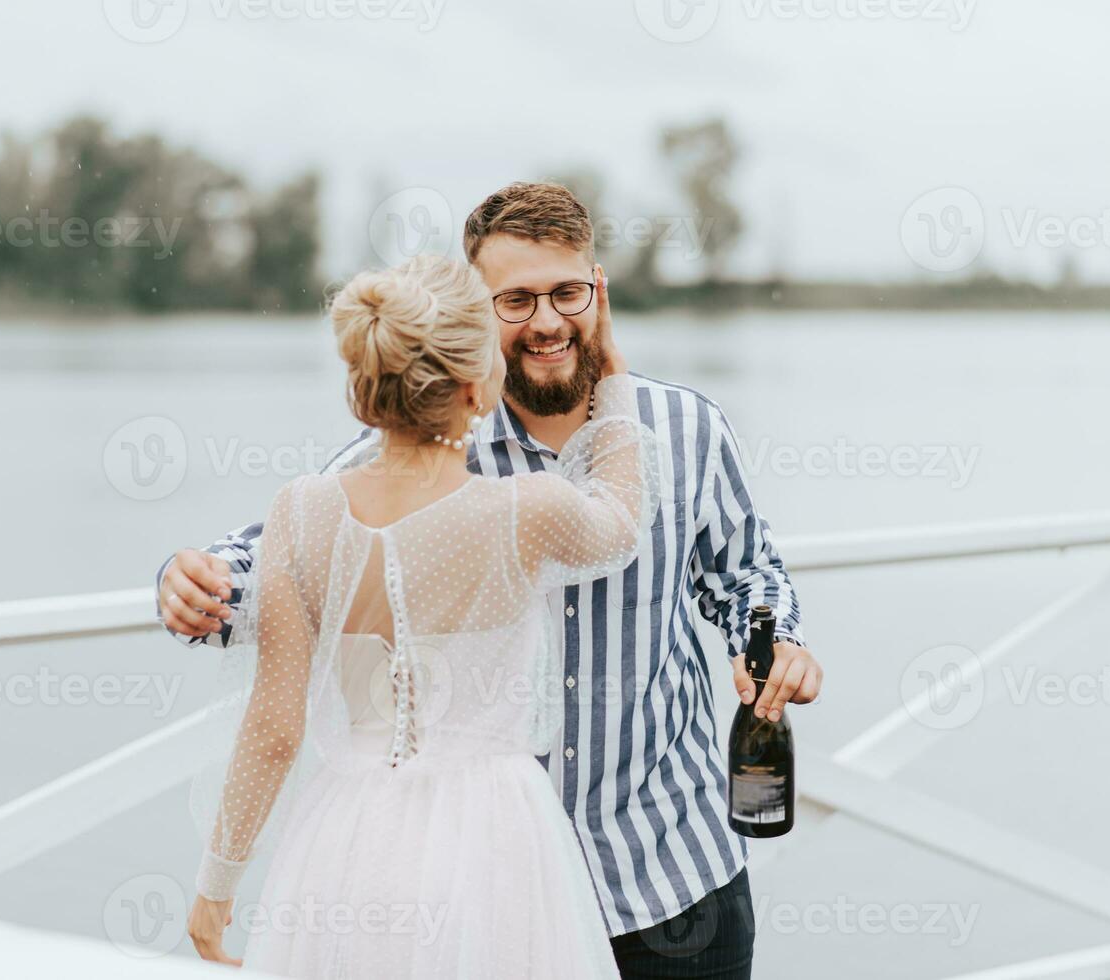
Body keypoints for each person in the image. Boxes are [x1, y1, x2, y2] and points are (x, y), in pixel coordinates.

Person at [164, 182, 823, 978]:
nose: (547, 320)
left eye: (567, 292)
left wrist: (776, 637)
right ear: (478, 315)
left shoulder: (687, 430)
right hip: (484, 901)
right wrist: (186, 579)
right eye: (516, 300)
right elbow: (264, 559)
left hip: (670, 875)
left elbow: (748, 572)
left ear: (597, 291)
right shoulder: (428, 444)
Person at [185, 252, 654, 976]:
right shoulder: (525, 510)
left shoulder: (302, 511)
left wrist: (216, 887)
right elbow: (622, 520)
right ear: (475, 389)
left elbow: (275, 729)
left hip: (345, 838)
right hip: (492, 835)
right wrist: (613, 375)